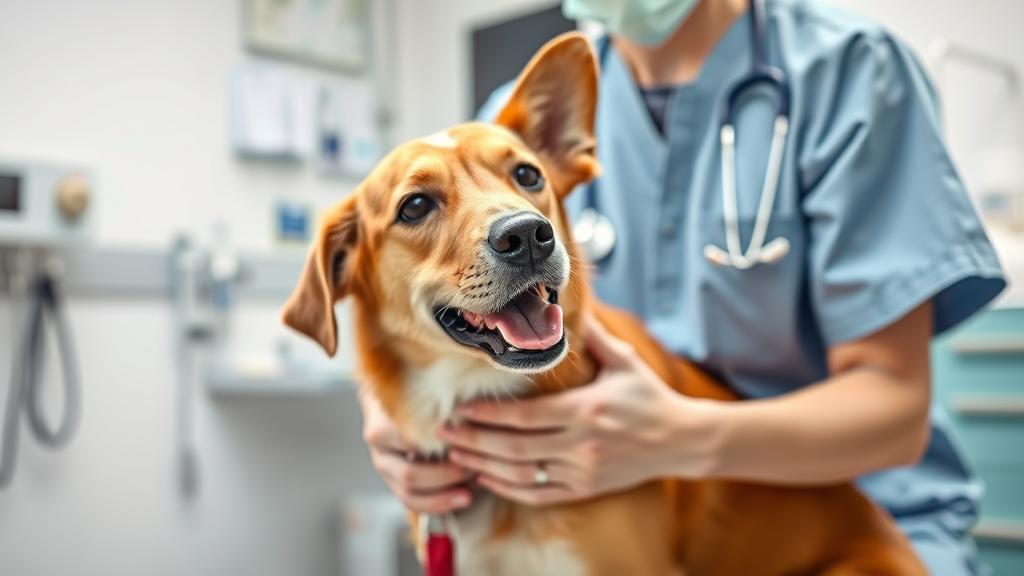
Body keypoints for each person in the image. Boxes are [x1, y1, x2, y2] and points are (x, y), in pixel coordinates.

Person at [357, 0, 1007, 574]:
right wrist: (391, 423)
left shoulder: (850, 71)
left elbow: (893, 411)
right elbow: (414, 303)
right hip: (611, 523)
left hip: (856, 522)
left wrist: (677, 438)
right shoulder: (510, 121)